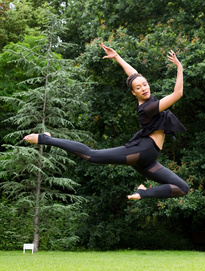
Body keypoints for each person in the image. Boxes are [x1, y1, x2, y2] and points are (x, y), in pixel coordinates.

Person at [23, 44, 189, 200]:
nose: (144, 88)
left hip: (149, 160)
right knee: (91, 155)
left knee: (182, 188)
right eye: (138, 88)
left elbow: (133, 75)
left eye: (145, 84)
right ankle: (45, 138)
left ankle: (143, 192)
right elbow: (177, 94)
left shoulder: (148, 97)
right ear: (133, 93)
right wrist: (179, 67)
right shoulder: (148, 108)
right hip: (143, 151)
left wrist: (117, 57)